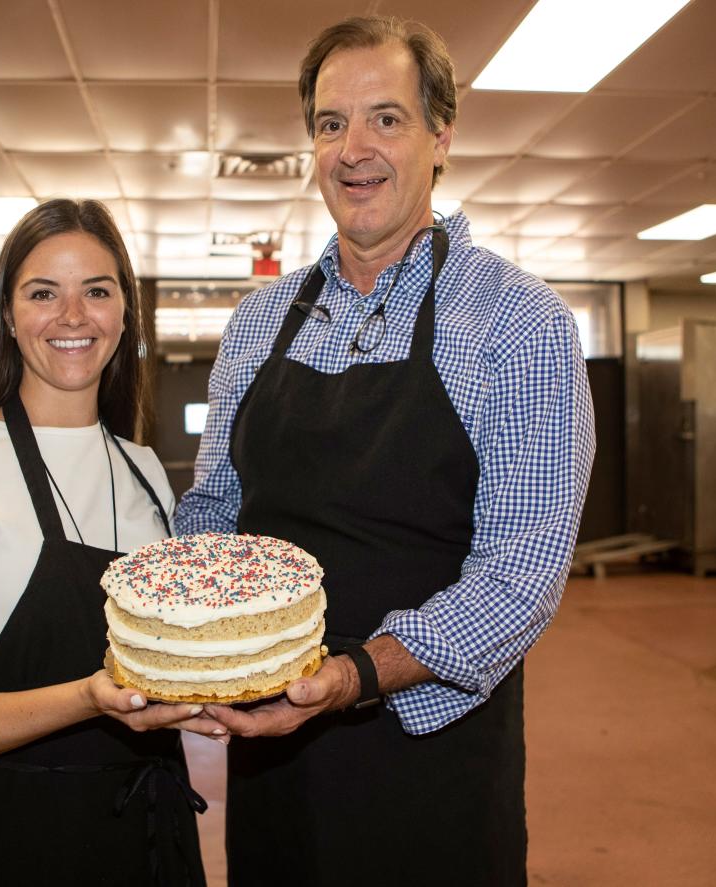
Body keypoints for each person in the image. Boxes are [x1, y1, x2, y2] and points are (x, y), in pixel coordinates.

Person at [176, 16, 596, 886]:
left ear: (443, 135)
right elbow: (214, 510)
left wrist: (354, 673)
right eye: (331, 124)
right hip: (272, 758)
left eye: (387, 119)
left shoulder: (519, 324)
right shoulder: (259, 322)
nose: (353, 148)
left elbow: (521, 575)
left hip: (429, 758)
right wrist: (192, 646)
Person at [0, 199, 212, 886]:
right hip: (8, 843)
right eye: (42, 293)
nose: (73, 316)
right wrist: (88, 697)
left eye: (96, 290)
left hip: (148, 842)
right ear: (7, 313)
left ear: (124, 312)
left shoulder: (144, 470)